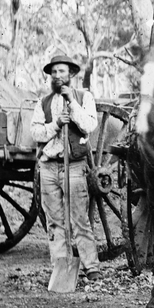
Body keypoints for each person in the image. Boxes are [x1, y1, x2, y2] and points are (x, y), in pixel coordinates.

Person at [30, 53, 101, 281]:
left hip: (75, 167)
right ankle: (61, 268)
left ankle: (92, 267)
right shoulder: (43, 103)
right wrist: (56, 124)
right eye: (54, 72)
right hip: (49, 167)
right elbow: (36, 133)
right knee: (55, 222)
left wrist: (72, 102)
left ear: (71, 74)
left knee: (80, 218)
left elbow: (89, 124)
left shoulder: (84, 97)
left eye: (61, 71)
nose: (57, 75)